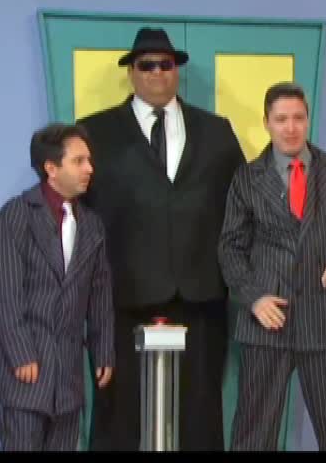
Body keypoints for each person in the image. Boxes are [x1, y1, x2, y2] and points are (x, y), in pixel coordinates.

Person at [76, 27, 245, 451]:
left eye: (165, 64)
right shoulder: (94, 132)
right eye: (146, 65)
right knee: (119, 416)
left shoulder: (217, 131)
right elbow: (79, 215)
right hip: (122, 297)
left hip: (201, 296)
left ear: (177, 71)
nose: (156, 72)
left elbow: (243, 207)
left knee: (200, 414)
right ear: (131, 72)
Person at [217, 81, 326, 451]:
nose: (291, 127)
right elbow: (230, 247)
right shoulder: (247, 178)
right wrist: (254, 298)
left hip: (323, 317)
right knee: (254, 437)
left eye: (298, 118)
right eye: (281, 119)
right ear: (267, 123)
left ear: (308, 119)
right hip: (267, 321)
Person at [0, 123, 115, 451]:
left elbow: (99, 294)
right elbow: (7, 293)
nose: (89, 168)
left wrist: (103, 350)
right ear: (51, 168)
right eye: (79, 161)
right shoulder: (15, 216)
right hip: (26, 371)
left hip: (68, 375)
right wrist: (21, 354)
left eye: (89, 160)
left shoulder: (91, 225)